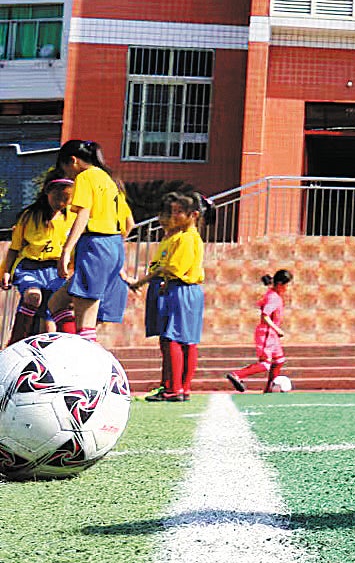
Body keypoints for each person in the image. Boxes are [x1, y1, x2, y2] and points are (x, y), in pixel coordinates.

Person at [48, 140, 132, 340]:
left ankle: (86, 364)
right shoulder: (109, 180)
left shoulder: (85, 177)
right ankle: (71, 347)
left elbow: (83, 214)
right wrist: (113, 246)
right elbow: (130, 223)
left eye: (64, 168)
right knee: (56, 304)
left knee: (86, 321)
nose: (66, 174)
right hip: (112, 245)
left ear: (73, 161)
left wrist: (67, 250)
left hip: (95, 245)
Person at [127, 192, 205, 402]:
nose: (172, 217)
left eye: (179, 212)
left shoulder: (187, 238)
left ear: (193, 215)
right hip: (174, 287)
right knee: (175, 339)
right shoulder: (173, 237)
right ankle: (175, 387)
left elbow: (172, 268)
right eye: (171, 213)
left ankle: (175, 388)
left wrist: (141, 282)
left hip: (180, 288)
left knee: (174, 338)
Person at [3, 174, 72, 345]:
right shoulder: (29, 216)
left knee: (53, 314)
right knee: (33, 297)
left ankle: (59, 349)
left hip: (56, 270)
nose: (61, 200)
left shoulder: (73, 218)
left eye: (66, 196)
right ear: (47, 193)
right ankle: (15, 343)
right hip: (30, 266)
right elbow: (14, 248)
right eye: (57, 195)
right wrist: (5, 271)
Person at [228, 270, 293, 393]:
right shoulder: (273, 297)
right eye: (287, 285)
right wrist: (277, 329)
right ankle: (236, 375)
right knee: (265, 364)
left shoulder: (273, 294)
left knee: (279, 360)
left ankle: (269, 389)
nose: (287, 288)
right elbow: (265, 315)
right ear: (280, 284)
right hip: (267, 334)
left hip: (272, 335)